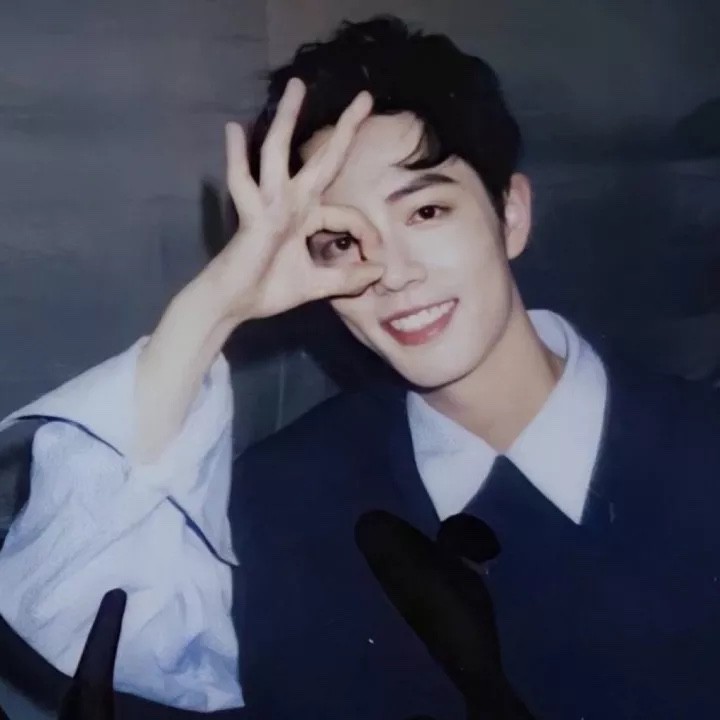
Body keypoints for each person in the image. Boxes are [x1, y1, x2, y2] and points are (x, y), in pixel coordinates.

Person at [1, 14, 720, 720]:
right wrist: (209, 308)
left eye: (426, 213)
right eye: (341, 240)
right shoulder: (280, 498)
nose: (393, 272)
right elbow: (72, 611)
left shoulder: (699, 448)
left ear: (510, 214)